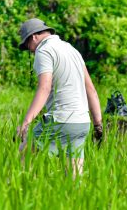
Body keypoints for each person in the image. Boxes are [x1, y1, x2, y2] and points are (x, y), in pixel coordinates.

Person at [15, 18, 104, 178]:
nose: (30, 51)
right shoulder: (71, 50)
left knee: (23, 158)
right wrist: (98, 124)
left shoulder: (44, 51)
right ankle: (76, 201)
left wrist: (26, 122)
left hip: (60, 121)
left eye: (28, 46)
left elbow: (44, 87)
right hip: (81, 123)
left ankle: (19, 194)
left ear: (33, 37)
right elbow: (91, 89)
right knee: (74, 178)